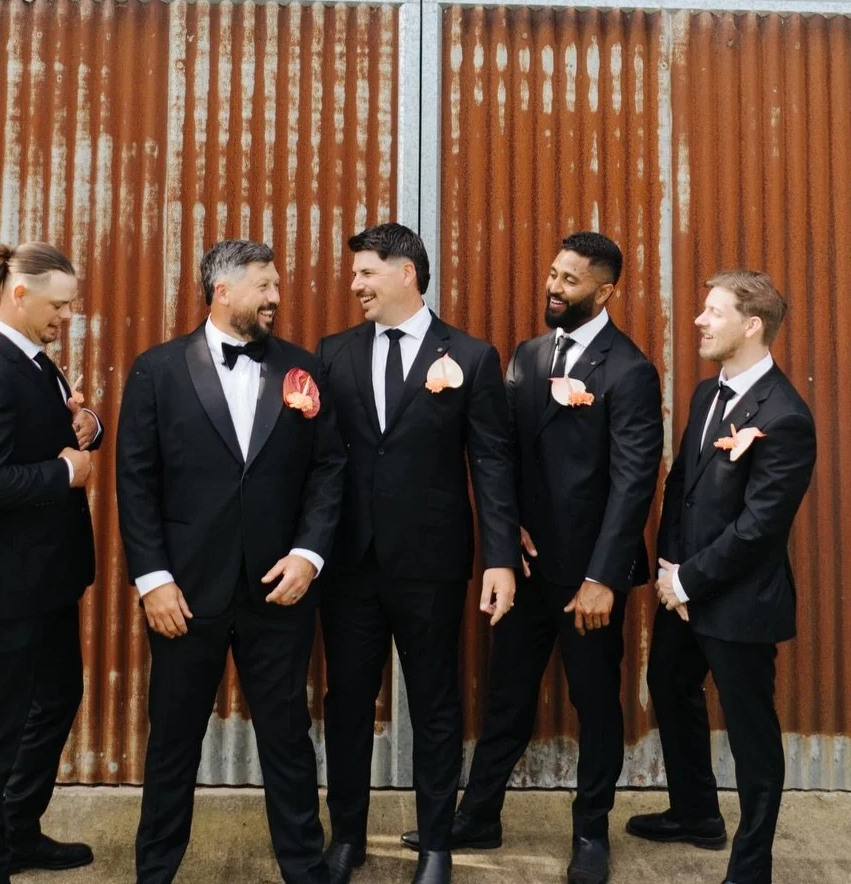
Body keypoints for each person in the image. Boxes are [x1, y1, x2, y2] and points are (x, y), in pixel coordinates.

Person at [409, 232, 663, 884]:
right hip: (526, 567)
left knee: (595, 705)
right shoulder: (527, 355)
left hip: (587, 580)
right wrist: (509, 526)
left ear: (605, 291)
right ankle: (479, 816)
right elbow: (504, 452)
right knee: (507, 697)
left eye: (570, 280)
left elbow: (633, 484)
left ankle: (590, 832)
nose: (553, 287)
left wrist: (603, 578)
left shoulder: (629, 371)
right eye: (553, 273)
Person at [116, 239, 346, 884]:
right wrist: (153, 580)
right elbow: (136, 481)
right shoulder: (157, 369)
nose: (276, 296)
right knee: (173, 738)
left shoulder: (304, 369)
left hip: (278, 588)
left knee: (288, 736)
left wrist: (308, 555)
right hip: (185, 593)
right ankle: (155, 871)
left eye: (276, 284)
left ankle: (305, 868)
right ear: (222, 291)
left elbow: (329, 468)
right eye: (264, 286)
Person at [318, 223, 518, 884]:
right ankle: (347, 837)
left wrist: (499, 558)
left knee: (436, 706)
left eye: (366, 272)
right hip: (349, 565)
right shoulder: (333, 353)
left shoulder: (471, 357)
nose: (355, 284)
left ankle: (436, 845)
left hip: (431, 565)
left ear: (406, 272)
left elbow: (491, 463)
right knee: (348, 703)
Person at [628, 270, 816, 884]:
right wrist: (669, 568)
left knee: (750, 732)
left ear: (752, 325)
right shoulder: (707, 394)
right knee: (669, 683)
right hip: (683, 589)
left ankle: (751, 866)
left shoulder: (785, 416)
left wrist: (688, 581)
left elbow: (759, 528)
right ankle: (696, 813)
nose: (699, 321)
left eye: (713, 312)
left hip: (739, 601)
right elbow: (682, 483)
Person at [0, 243, 106, 884]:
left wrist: (87, 425)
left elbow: (53, 431)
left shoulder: (38, 364)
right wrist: (65, 472)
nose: (67, 316)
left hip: (52, 579)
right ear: (19, 294)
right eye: (58, 304)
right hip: (8, 588)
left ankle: (18, 830)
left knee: (59, 698)